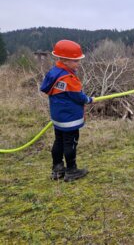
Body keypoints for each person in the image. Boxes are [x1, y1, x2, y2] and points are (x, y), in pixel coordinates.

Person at [40, 40, 94, 181]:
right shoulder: (69, 78)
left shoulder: (53, 73)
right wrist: (89, 99)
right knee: (71, 143)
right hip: (70, 119)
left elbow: (46, 88)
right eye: (76, 61)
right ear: (64, 60)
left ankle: (57, 169)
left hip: (58, 117)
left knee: (59, 141)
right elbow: (78, 97)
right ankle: (71, 170)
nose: (78, 64)